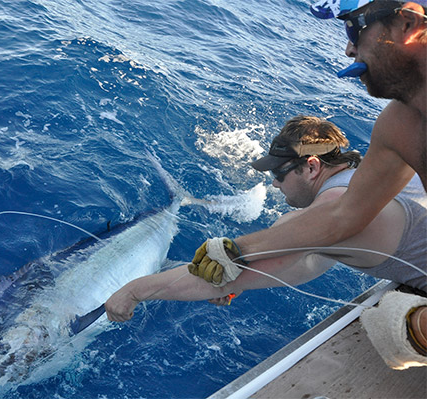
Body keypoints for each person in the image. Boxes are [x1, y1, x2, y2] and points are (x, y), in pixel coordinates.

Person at [185, 0, 427, 369]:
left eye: (354, 28)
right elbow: (341, 220)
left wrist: (417, 328)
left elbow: (326, 232)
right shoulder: (399, 124)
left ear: (408, 22)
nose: (348, 48)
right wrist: (238, 254)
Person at [106, 117, 427, 369]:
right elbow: (309, 262)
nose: (273, 182)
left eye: (280, 172)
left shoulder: (323, 217)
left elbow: (218, 280)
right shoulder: (374, 177)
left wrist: (135, 290)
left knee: (394, 328)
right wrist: (249, 279)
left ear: (312, 166)